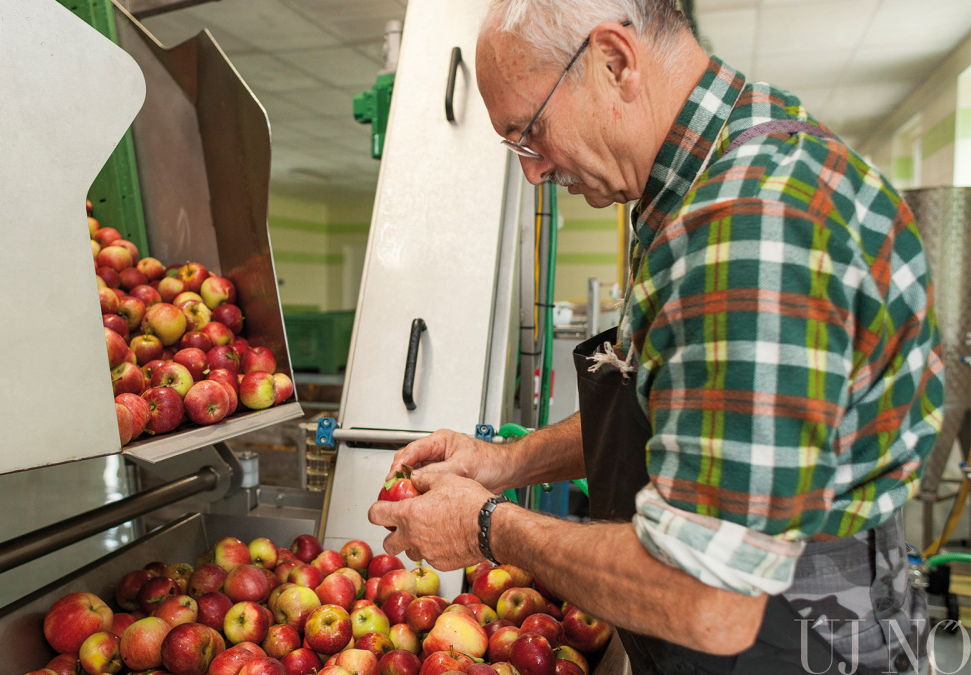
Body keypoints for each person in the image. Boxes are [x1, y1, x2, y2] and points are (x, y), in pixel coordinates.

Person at [366, 0, 946, 673]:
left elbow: (707, 596)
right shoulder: (702, 181)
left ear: (614, 62)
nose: (532, 169)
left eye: (531, 133)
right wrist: (508, 460)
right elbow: (686, 418)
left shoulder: (748, 224)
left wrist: (488, 525)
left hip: (798, 641)